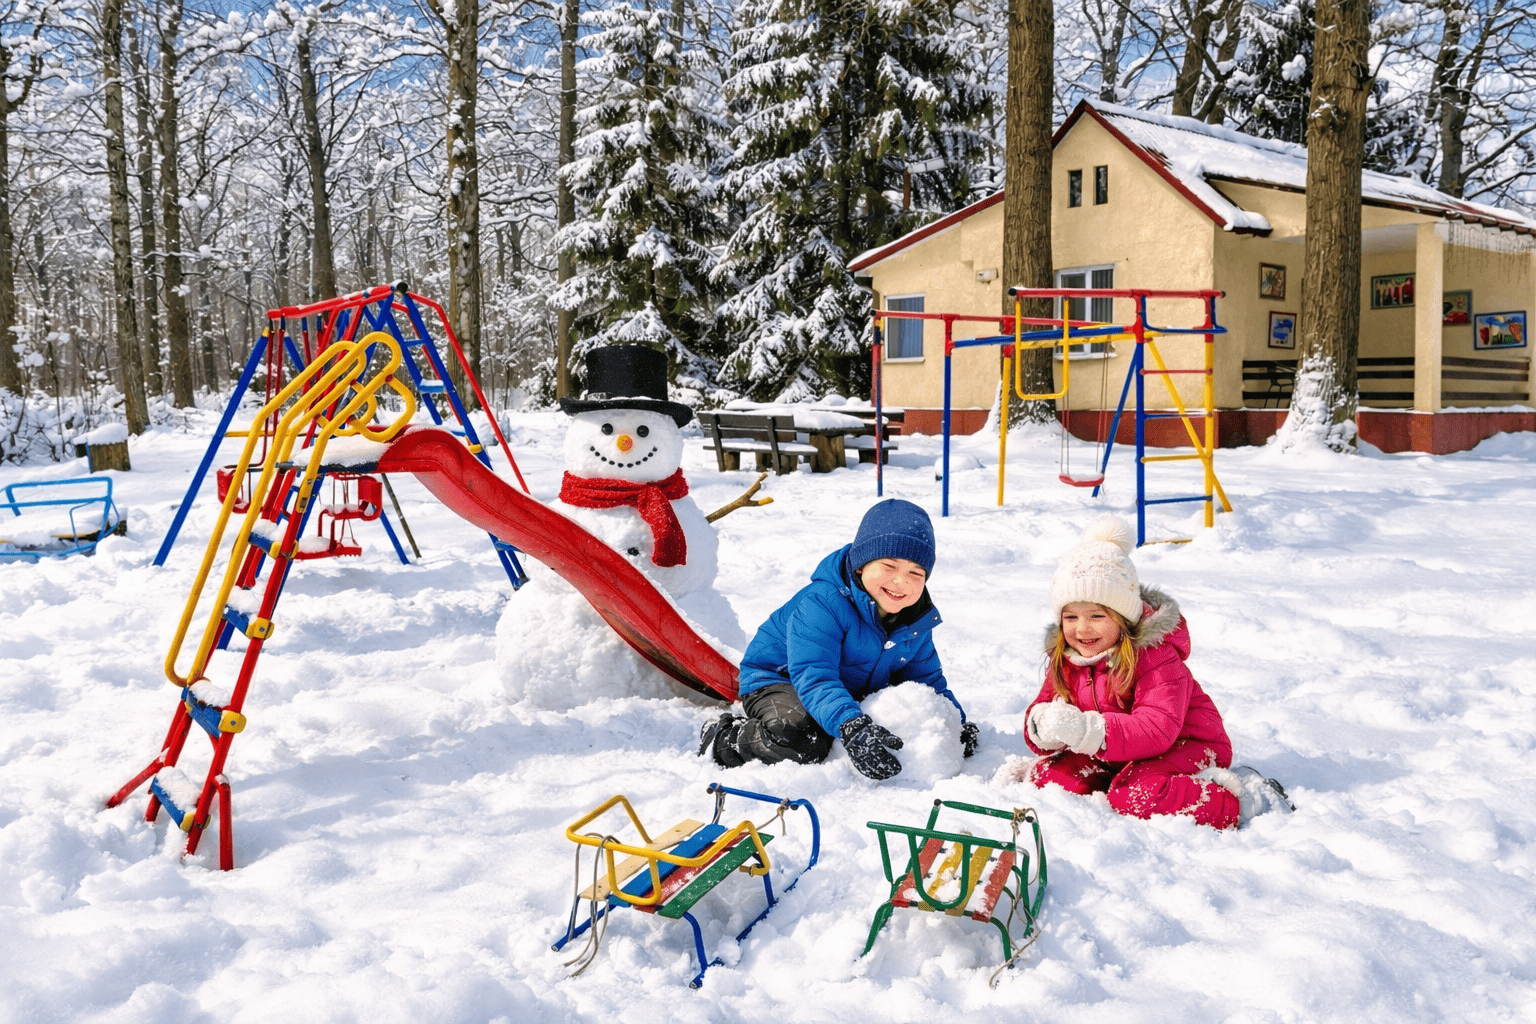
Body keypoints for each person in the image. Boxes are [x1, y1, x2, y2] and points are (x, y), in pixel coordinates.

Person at [1020, 514, 1291, 829]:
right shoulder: (1069, 658)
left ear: (1123, 617)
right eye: (1070, 618)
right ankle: (1119, 780)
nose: (1082, 629)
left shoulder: (1155, 655)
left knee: (1135, 795)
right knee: (1049, 777)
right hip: (1119, 749)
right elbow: (1042, 709)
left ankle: (1239, 800)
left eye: (1096, 616)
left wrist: (1085, 732)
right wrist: (1045, 727)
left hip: (1186, 745)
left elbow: (1157, 730)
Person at [699, 498, 977, 779]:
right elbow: (814, 674)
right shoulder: (823, 603)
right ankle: (724, 738)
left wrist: (955, 723)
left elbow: (927, 679)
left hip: (842, 686)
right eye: (889, 566)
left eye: (915, 573)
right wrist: (849, 723)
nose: (900, 581)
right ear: (861, 565)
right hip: (780, 679)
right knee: (804, 739)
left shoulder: (915, 620)